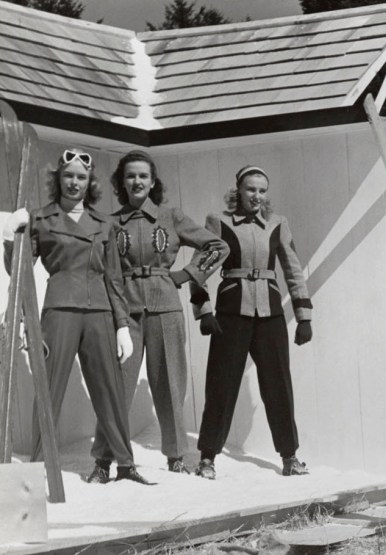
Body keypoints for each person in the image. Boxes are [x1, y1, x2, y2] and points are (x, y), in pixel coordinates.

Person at [7, 149, 150, 484]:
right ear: (58, 178)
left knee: (110, 391)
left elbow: (114, 278)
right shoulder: (40, 220)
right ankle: (38, 469)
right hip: (58, 311)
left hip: (100, 312)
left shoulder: (104, 224)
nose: (74, 182)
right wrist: (10, 239)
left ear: (90, 183)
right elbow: (20, 270)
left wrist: (122, 326)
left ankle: (125, 465)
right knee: (49, 389)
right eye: (68, 175)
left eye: (81, 177)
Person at [88, 150, 229, 479]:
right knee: (117, 387)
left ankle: (176, 456)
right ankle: (103, 460)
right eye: (130, 176)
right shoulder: (110, 223)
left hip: (165, 309)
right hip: (124, 312)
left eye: (143, 176)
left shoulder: (172, 216)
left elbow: (217, 246)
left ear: (153, 183)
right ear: (121, 182)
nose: (137, 181)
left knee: (169, 385)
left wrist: (187, 274)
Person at [190, 165, 314, 479]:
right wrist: (204, 310)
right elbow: (198, 267)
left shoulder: (278, 224)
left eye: (261, 190)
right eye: (250, 189)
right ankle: (207, 458)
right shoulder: (218, 222)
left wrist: (303, 316)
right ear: (238, 191)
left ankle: (290, 457)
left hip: (270, 315)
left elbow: (294, 270)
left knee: (278, 387)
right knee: (221, 385)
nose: (256, 196)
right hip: (231, 313)